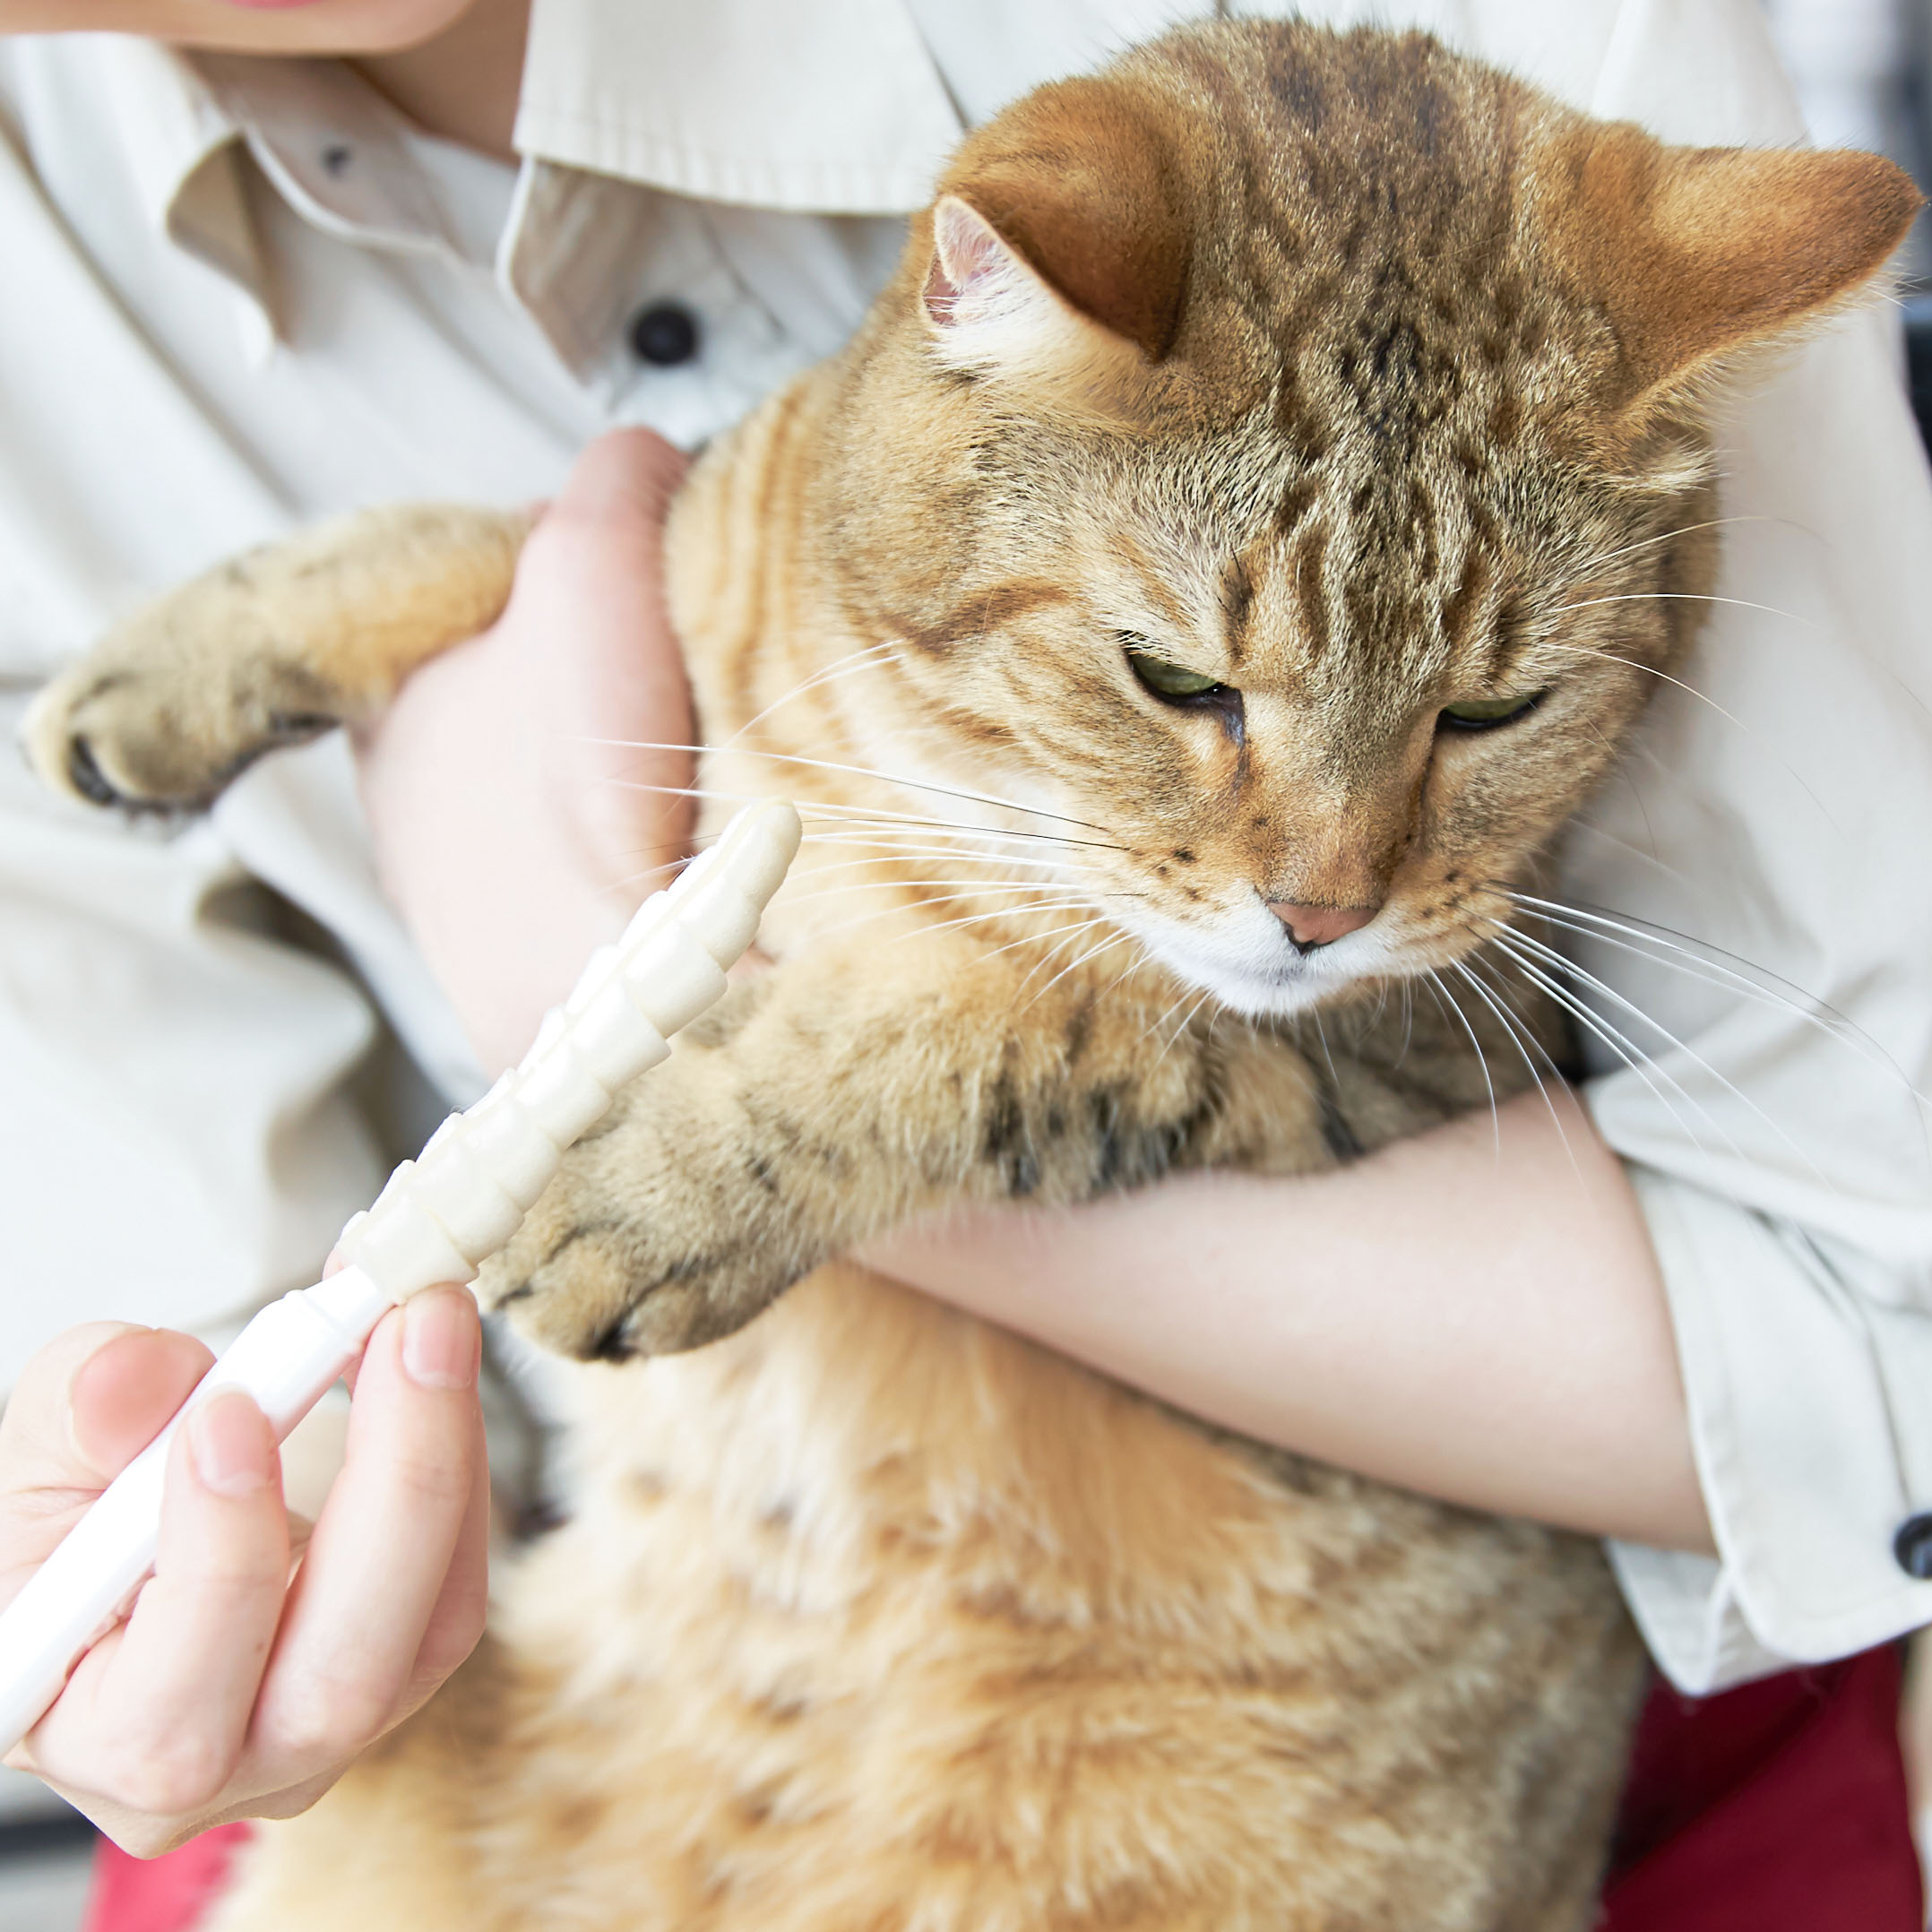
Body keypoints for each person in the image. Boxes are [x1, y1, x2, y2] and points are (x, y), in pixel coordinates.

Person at [0, 0, 1928, 1925]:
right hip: (603, 1674)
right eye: (1190, 686)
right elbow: (156, 1200)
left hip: (1189, 1766)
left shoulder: (1588, 106)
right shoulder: (54, 193)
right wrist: (224, 1541)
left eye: (1479, 715)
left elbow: (1864, 1330)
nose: (1329, 881)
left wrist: (587, 991)